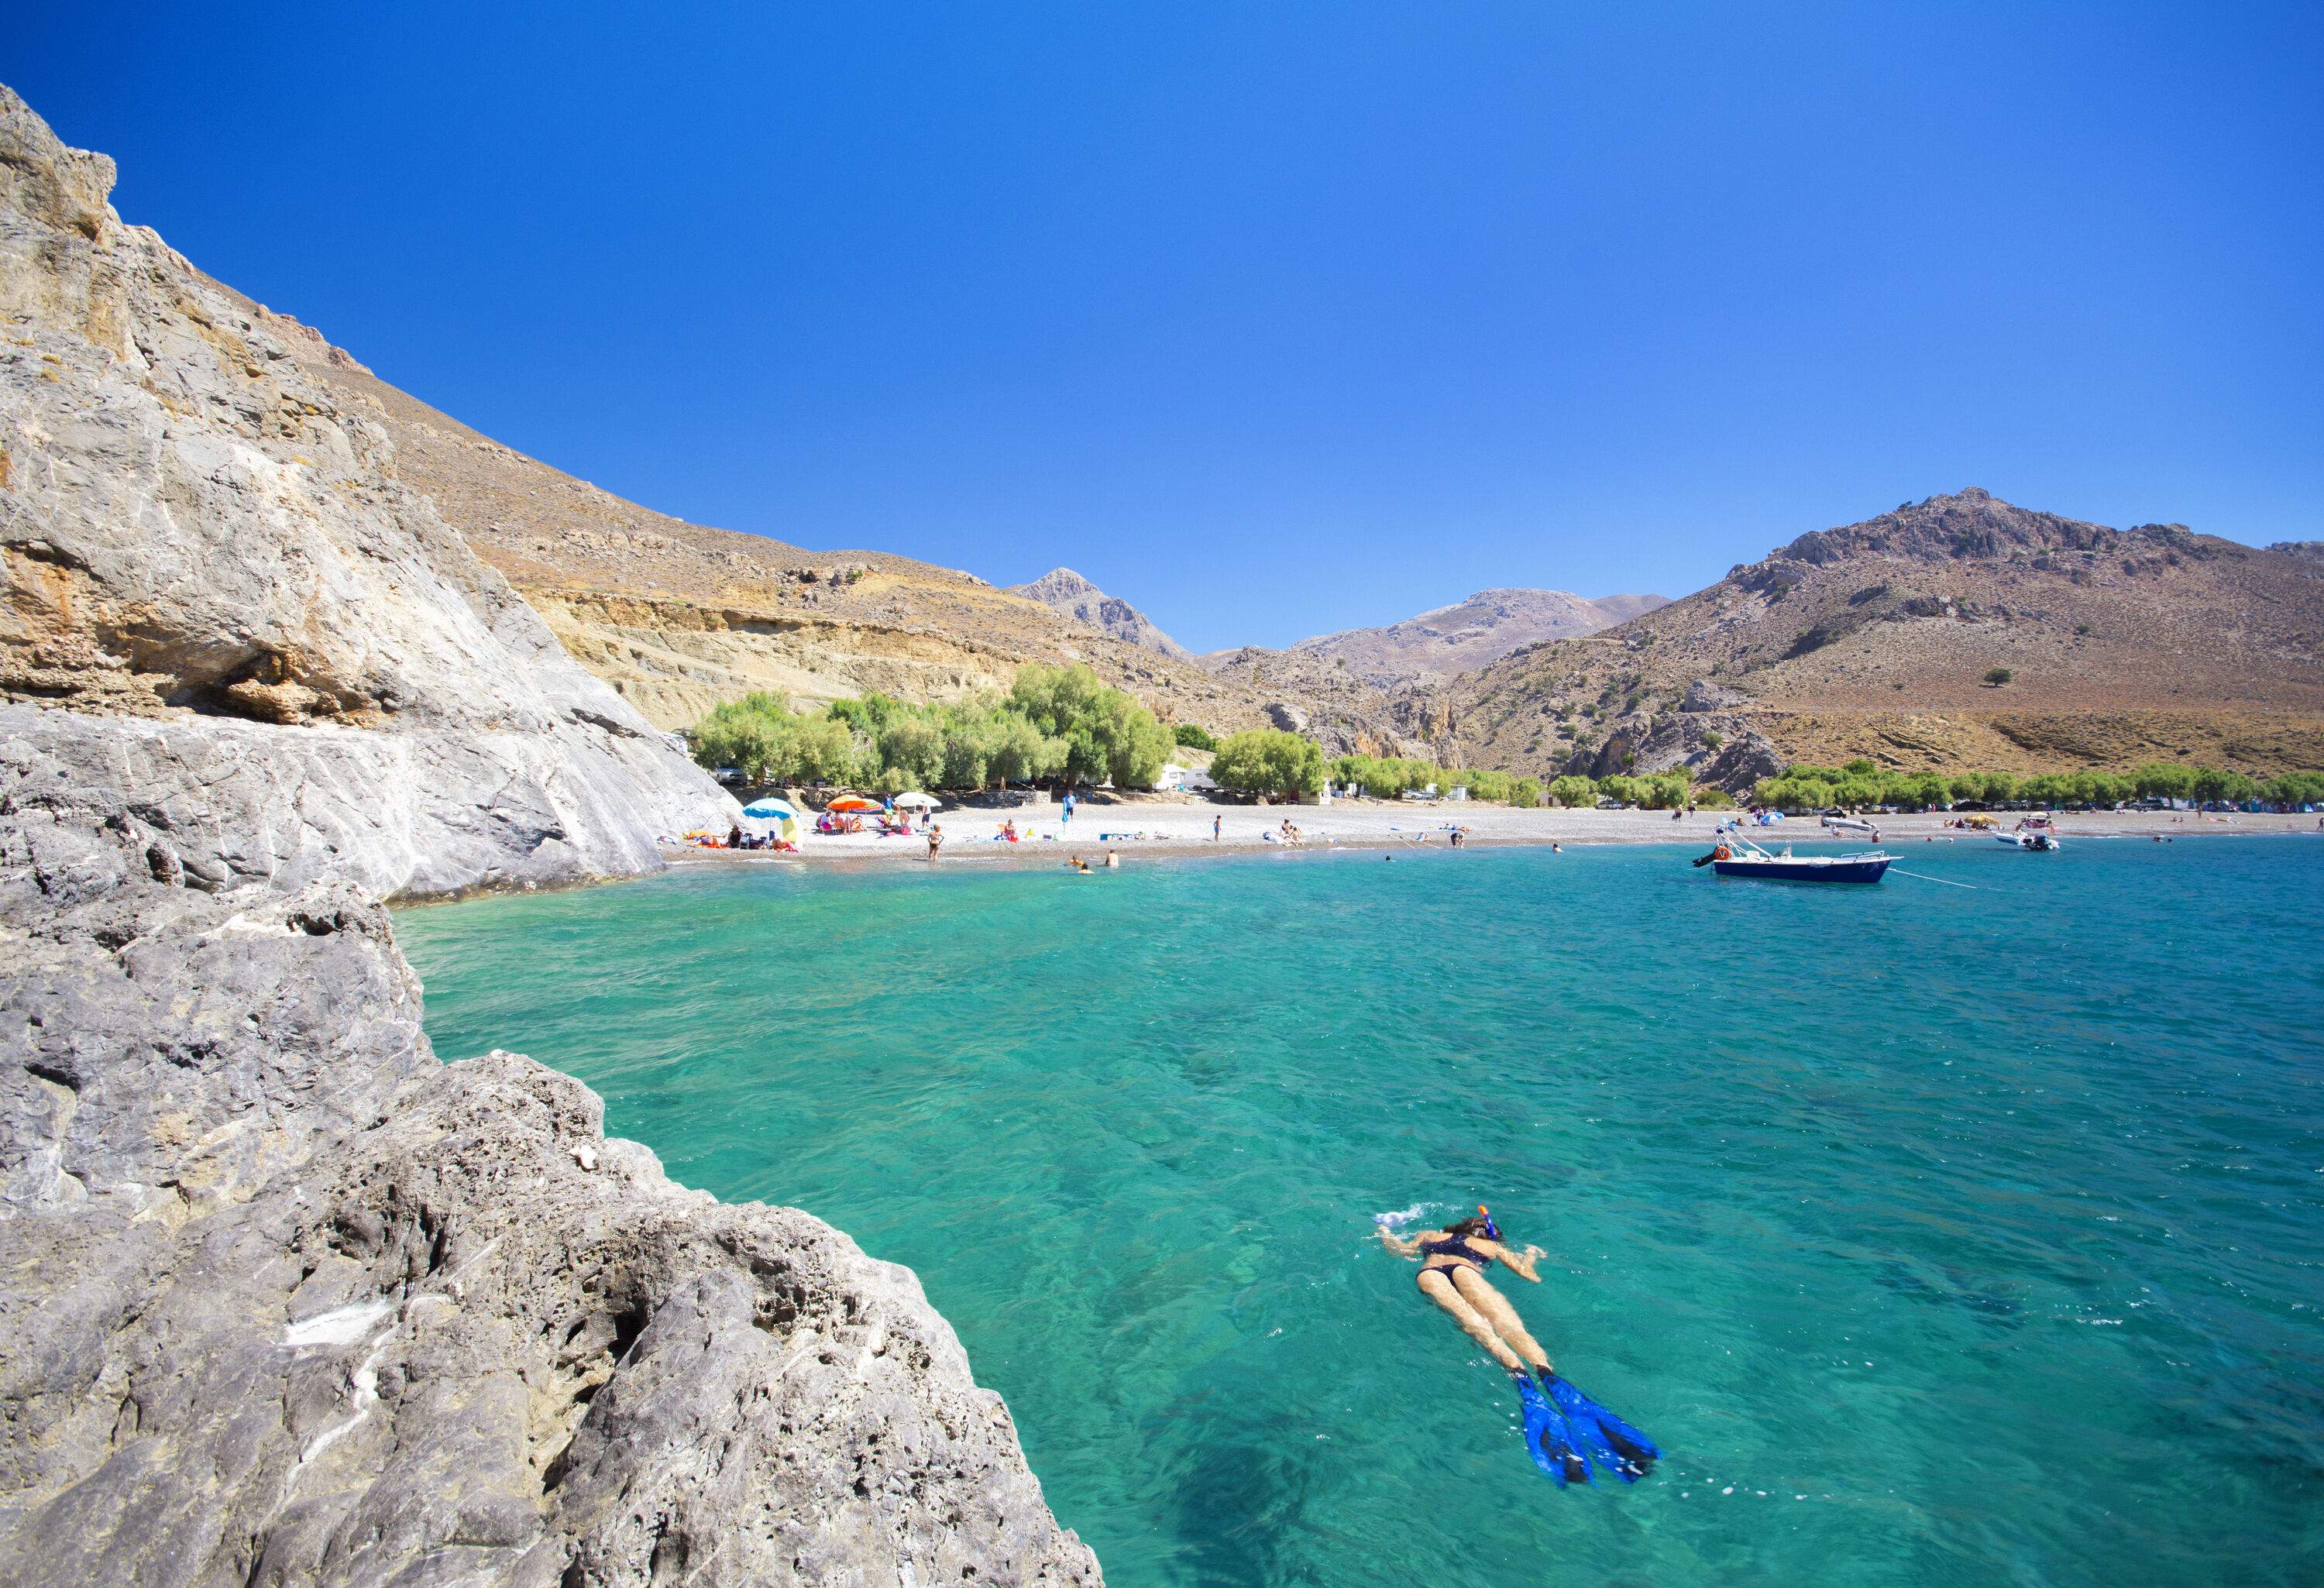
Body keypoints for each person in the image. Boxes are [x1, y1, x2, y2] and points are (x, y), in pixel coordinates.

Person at [1379, 1210, 1659, 1487]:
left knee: (1477, 1326)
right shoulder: (1490, 1246)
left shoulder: (1431, 1235)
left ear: (1460, 1226)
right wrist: (1533, 1253)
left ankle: (1519, 1376)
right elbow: (1530, 1276)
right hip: (1468, 1270)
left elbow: (1398, 1251)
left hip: (1429, 1274)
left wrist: (1384, 1232)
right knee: (1512, 1329)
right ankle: (1546, 1374)